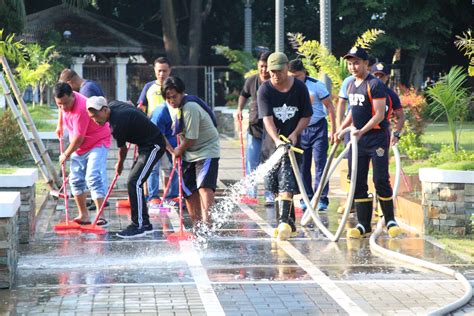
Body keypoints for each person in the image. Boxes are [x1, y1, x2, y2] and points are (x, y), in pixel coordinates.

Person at [337, 47, 402, 239]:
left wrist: (361, 130)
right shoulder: (351, 85)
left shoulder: (374, 85)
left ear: (366, 64)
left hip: (376, 138)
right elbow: (352, 111)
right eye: (350, 63)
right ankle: (363, 225)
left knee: (380, 179)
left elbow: (380, 115)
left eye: (356, 62)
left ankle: (390, 219)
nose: (353, 67)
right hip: (358, 141)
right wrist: (341, 129)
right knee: (357, 180)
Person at [86, 96, 167, 238]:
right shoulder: (113, 104)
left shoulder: (117, 124)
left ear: (105, 110)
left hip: (154, 145)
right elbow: (130, 104)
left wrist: (119, 165)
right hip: (144, 145)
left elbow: (122, 150)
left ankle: (139, 225)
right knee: (134, 182)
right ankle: (144, 223)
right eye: (92, 117)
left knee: (135, 182)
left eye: (96, 116)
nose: (95, 120)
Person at [257, 52, 312, 240]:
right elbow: (267, 119)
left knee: (286, 181)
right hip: (271, 147)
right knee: (274, 185)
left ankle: (281, 223)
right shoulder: (265, 90)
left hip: (292, 144)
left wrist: (295, 133)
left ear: (287, 68)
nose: (275, 75)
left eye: (279, 71)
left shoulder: (299, 88)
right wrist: (277, 140)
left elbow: (306, 115)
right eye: (272, 71)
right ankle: (289, 223)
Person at [161, 76, 220, 226]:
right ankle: (197, 226)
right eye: (168, 98)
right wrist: (177, 151)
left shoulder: (190, 107)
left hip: (206, 150)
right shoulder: (176, 109)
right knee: (188, 190)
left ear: (181, 93)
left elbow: (192, 137)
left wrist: (177, 151)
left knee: (204, 186)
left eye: (174, 97)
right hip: (190, 153)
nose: (171, 101)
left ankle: (208, 225)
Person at [54, 82, 110, 226]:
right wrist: (59, 124)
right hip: (80, 145)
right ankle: (83, 215)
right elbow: (62, 109)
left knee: (93, 177)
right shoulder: (64, 103)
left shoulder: (81, 109)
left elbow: (78, 139)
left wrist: (65, 154)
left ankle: (100, 216)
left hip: (97, 141)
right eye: (60, 104)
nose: (63, 107)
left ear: (73, 95)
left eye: (65, 103)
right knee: (76, 180)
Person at [288, 59, 336, 212]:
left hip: (318, 128)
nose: (295, 79)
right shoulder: (288, 86)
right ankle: (306, 198)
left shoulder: (316, 85)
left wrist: (334, 130)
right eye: (292, 76)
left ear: (304, 73)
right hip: (300, 130)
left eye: (298, 76)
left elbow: (330, 106)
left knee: (321, 163)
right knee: (303, 166)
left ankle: (321, 198)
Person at [137, 57, 178, 208]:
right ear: (154, 70)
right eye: (159, 70)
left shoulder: (174, 86)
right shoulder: (148, 87)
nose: (161, 74)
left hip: (171, 132)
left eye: (164, 71)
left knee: (173, 165)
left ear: (170, 70)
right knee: (153, 165)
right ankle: (153, 196)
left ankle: (172, 196)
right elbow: (141, 107)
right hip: (152, 132)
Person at [237, 51, 274, 204]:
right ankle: (251, 193)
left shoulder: (275, 82)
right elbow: (243, 95)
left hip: (271, 130)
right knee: (252, 162)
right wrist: (239, 109)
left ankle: (270, 194)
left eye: (266, 67)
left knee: (270, 163)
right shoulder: (251, 81)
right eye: (261, 66)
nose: (264, 70)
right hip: (254, 127)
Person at [370, 62, 405, 146]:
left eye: (381, 76)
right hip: (363, 134)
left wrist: (396, 134)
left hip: (381, 135)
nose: (378, 78)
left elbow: (401, 116)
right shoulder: (365, 91)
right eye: (376, 75)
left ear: (387, 77)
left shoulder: (391, 95)